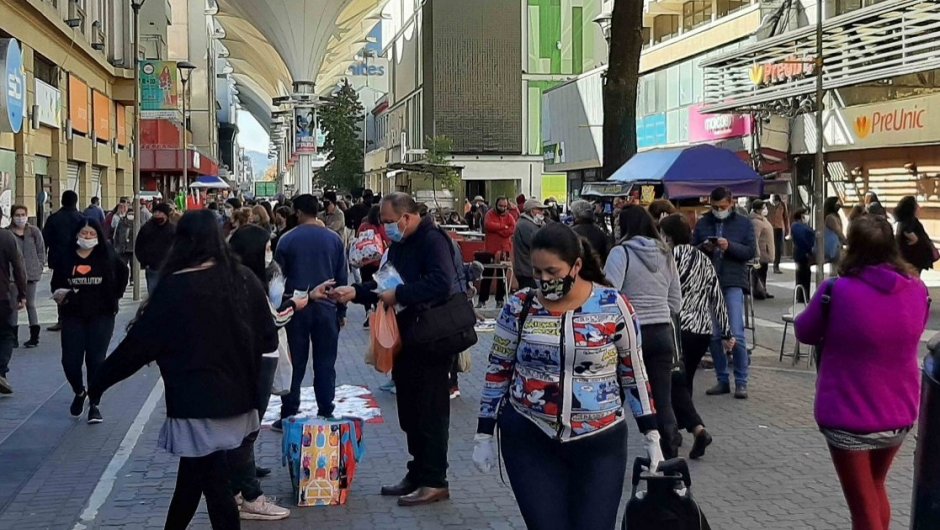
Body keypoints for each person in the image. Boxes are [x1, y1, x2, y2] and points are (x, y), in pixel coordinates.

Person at [88, 210, 277, 529]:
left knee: (215, 486)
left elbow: (137, 346)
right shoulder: (243, 278)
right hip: (236, 401)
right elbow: (268, 336)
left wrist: (100, 381)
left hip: (194, 402)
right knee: (194, 478)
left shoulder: (175, 287)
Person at [472, 222, 662, 529]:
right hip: (531, 437)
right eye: (537, 272)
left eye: (553, 272)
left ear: (576, 265)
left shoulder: (613, 306)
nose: (544, 280)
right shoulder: (519, 306)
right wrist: (484, 432)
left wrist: (651, 433)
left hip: (600, 441)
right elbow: (498, 370)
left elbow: (634, 371)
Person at [795, 214, 928, 530]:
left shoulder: (835, 291)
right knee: (875, 487)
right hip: (899, 414)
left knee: (863, 507)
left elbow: (805, 331)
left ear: (851, 246)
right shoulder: (917, 289)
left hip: (848, 416)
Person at [330, 192, 462, 507]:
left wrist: (399, 293)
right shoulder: (403, 243)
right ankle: (416, 472)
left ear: (407, 216)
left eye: (390, 222)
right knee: (410, 411)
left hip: (430, 337)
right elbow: (383, 285)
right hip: (407, 337)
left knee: (429, 412)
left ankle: (434, 479)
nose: (387, 228)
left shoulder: (432, 240)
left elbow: (440, 283)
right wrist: (356, 293)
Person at [229, 223, 327, 521]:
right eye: (266, 248)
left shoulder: (238, 278)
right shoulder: (247, 281)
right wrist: (301, 303)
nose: (270, 253)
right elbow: (273, 319)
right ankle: (250, 496)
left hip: (246, 359)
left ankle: (237, 490)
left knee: (245, 427)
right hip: (256, 359)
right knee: (248, 428)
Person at [604, 207, 682, 457]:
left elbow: (609, 295)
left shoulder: (621, 252)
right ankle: (669, 459)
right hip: (662, 333)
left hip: (629, 333)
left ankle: (608, 455)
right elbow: (676, 301)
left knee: (615, 399)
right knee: (662, 400)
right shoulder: (665, 254)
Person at [659, 214, 733, 459]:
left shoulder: (669, 258)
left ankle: (686, 429)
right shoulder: (703, 259)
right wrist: (726, 332)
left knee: (671, 382)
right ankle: (687, 429)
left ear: (667, 236)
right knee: (684, 379)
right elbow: (717, 297)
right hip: (702, 331)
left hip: (677, 328)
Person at [273, 194, 348, 431]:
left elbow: (277, 280)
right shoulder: (334, 239)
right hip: (327, 309)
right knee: (326, 363)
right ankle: (326, 410)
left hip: (297, 309)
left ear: (297, 211)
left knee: (295, 363)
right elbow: (342, 277)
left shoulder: (286, 240)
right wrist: (342, 309)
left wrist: (281, 306)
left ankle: (288, 413)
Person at [54, 220, 128, 423]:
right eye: (83, 233)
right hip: (72, 315)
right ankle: (79, 392)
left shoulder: (106, 254)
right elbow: (56, 283)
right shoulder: (66, 257)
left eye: (90, 234)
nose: (86, 237)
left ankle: (94, 403)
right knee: (70, 361)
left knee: (96, 359)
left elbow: (123, 272)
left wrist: (115, 296)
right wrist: (61, 294)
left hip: (102, 314)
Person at [692, 187, 757, 399]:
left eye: (722, 207)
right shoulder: (703, 223)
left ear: (731, 203)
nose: (718, 210)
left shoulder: (744, 224)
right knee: (713, 334)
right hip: (708, 282)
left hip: (732, 281)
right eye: (714, 207)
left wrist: (729, 246)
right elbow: (693, 250)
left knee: (736, 332)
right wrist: (704, 247)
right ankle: (722, 379)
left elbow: (749, 252)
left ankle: (741, 381)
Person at [43, 190, 86, 332]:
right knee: (79, 287)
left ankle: (62, 318)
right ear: (76, 201)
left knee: (58, 288)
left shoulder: (53, 218)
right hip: (79, 261)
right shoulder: (82, 219)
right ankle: (78, 316)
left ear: (62, 201)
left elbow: (45, 240)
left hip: (59, 261)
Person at [8, 206, 44, 349]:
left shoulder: (34, 231)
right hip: (12, 275)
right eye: (17, 215)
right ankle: (13, 337)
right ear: (12, 216)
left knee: (30, 304)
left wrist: (40, 266)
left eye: (23, 214)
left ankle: (34, 336)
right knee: (14, 305)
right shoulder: (7, 233)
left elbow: (41, 251)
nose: (21, 217)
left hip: (31, 273)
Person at [0, 211, 27, 395]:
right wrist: (22, 293)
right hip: (1, 295)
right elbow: (18, 266)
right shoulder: (6, 237)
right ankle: (1, 371)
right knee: (6, 334)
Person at [478, 197, 516, 308]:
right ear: (496, 205)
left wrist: (498, 229)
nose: (503, 208)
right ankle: (482, 300)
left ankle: (500, 299)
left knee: (502, 277)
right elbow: (488, 225)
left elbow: (512, 229)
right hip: (490, 250)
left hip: (504, 250)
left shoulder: (510, 217)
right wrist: (503, 227)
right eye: (501, 206)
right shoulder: (490, 214)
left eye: (505, 206)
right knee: (487, 276)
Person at [356, 205, 389, 327]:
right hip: (378, 262)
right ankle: (376, 309)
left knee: (366, 284)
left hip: (365, 262)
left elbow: (358, 239)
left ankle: (368, 310)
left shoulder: (363, 226)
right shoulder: (382, 227)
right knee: (377, 286)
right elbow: (388, 241)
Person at [135, 203, 176, 296]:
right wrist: (145, 262)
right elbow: (139, 246)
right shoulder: (147, 228)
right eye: (155, 212)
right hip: (152, 268)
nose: (157, 214)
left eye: (160, 212)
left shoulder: (173, 230)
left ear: (166, 215)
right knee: (153, 295)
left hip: (169, 269)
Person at [894, 195, 936, 275]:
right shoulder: (909, 221)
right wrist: (915, 239)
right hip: (912, 258)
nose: (919, 207)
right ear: (911, 208)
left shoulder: (904, 220)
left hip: (912, 258)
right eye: (916, 205)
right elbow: (907, 231)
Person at [511, 199, 544, 290]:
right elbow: (537, 244)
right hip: (526, 270)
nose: (542, 212)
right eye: (539, 210)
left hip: (529, 269)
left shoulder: (534, 224)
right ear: (532, 211)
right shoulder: (525, 225)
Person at [749, 199, 775, 300]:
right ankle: (759, 291)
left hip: (765, 252)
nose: (766, 210)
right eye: (763, 208)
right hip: (761, 253)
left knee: (763, 272)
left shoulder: (763, 219)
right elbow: (755, 238)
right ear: (758, 209)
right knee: (758, 272)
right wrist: (757, 253)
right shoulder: (756, 222)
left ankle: (763, 289)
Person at [791, 208, 816, 302]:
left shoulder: (801, 226)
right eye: (806, 214)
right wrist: (809, 249)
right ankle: (802, 297)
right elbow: (803, 240)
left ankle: (804, 296)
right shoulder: (797, 226)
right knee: (803, 275)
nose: (807, 216)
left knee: (805, 275)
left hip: (803, 254)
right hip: (802, 254)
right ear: (801, 215)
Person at [767, 194, 790, 274]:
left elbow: (786, 218)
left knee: (778, 248)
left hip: (779, 228)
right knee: (767, 247)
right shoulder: (766, 204)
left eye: (776, 202)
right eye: (773, 202)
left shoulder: (782, 205)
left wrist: (787, 231)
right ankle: (765, 264)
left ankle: (776, 266)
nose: (775, 204)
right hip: (768, 228)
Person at [110, 202, 135, 269]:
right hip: (123, 248)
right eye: (129, 214)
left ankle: (132, 278)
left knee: (133, 267)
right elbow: (117, 234)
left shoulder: (137, 223)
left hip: (133, 249)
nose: (131, 215)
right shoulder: (122, 222)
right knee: (122, 266)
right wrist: (116, 246)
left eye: (132, 214)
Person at [825, 196, 847, 269]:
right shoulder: (831, 217)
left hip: (837, 245)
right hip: (835, 246)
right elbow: (838, 231)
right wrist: (846, 241)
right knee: (836, 268)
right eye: (837, 203)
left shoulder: (834, 216)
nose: (839, 204)